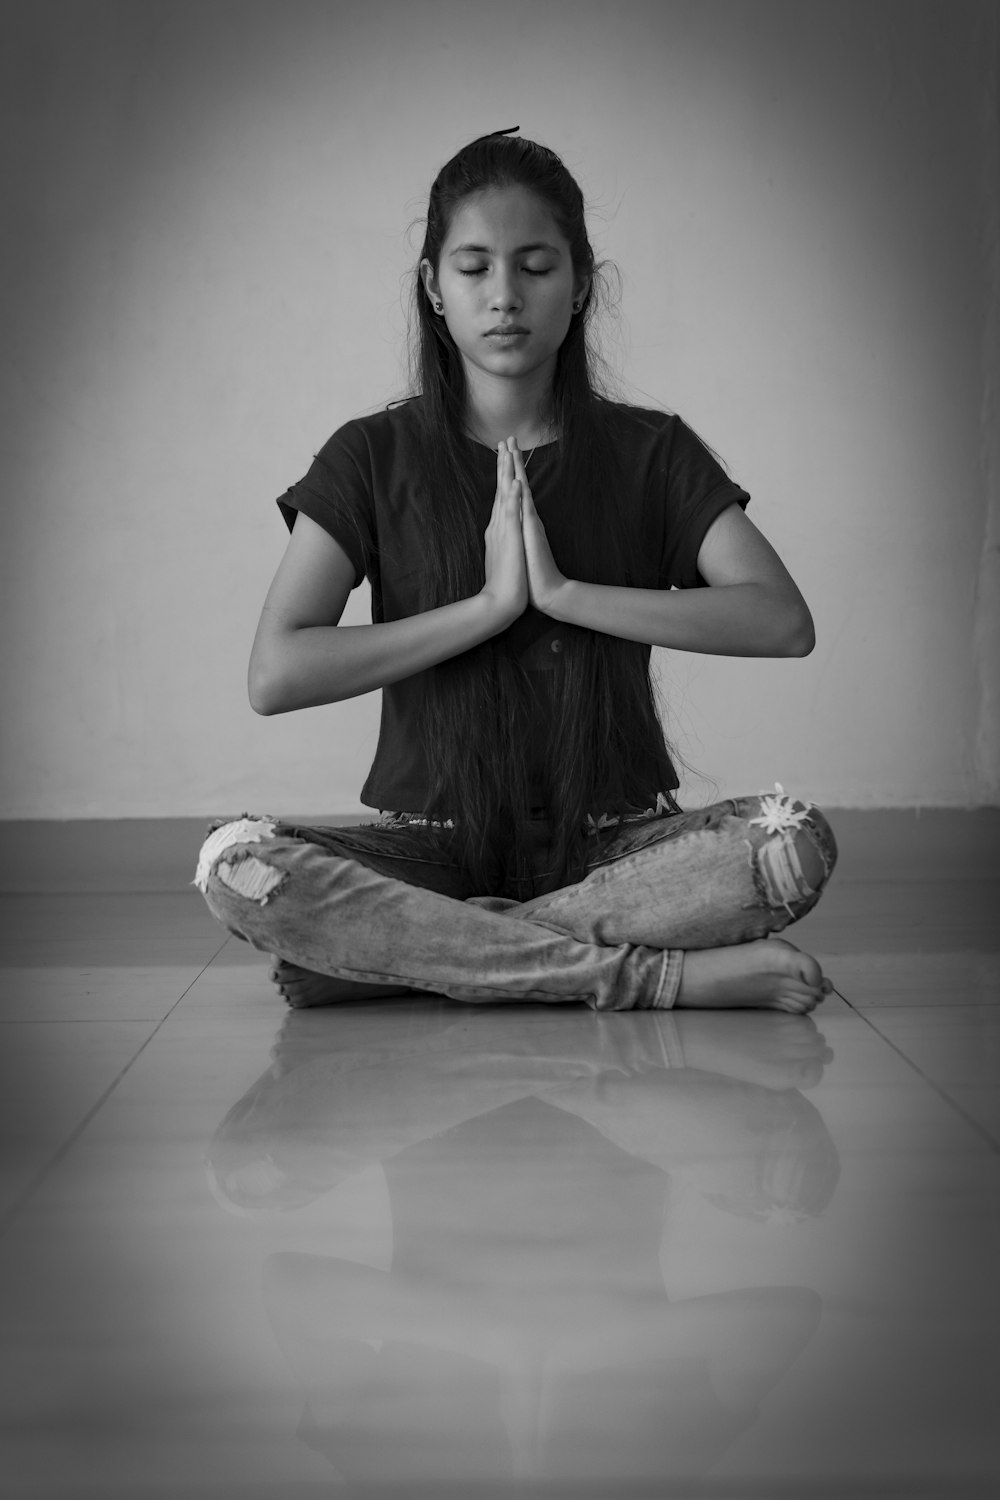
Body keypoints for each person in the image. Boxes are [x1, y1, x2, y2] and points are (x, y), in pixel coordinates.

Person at [195, 128, 838, 1015]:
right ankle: (644, 977)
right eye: (474, 268)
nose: (505, 297)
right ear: (433, 289)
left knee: (790, 843)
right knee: (237, 864)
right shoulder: (370, 455)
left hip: (612, 843)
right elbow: (276, 674)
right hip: (432, 848)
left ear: (580, 287)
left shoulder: (652, 451)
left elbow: (780, 621)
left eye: (536, 266)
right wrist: (489, 609)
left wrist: (567, 596)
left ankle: (411, 952)